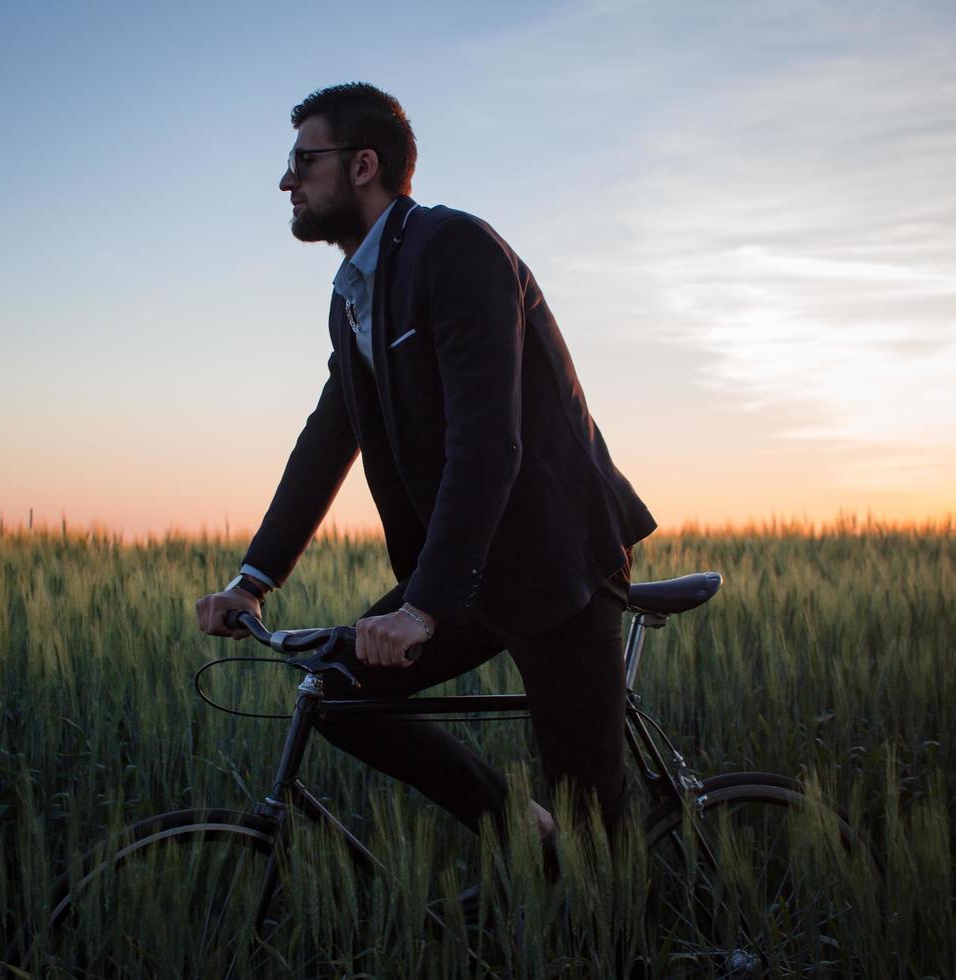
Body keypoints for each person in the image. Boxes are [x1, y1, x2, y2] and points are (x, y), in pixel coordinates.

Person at [195, 82, 656, 848]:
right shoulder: (355, 298)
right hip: (466, 571)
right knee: (337, 692)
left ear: (364, 164)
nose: (287, 181)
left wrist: (422, 606)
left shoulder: (457, 250)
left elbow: (488, 438)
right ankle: (521, 835)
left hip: (555, 564)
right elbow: (325, 438)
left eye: (304, 161)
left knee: (596, 839)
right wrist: (253, 580)